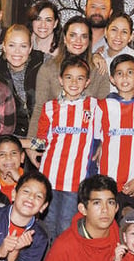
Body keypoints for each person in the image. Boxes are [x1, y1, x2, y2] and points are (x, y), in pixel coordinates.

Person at [34, 55, 99, 238]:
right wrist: (23, 144)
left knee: (66, 225)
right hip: (49, 175)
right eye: (69, 77)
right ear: (61, 80)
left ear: (87, 82)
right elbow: (41, 140)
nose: (74, 82)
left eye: (80, 78)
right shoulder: (49, 108)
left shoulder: (95, 107)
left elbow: (116, 114)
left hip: (75, 179)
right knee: (47, 224)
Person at [94, 54, 134, 211]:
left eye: (130, 72)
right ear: (112, 79)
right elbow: (96, 143)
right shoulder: (102, 106)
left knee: (132, 228)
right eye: (119, 73)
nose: (124, 77)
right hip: (107, 182)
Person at [28, 16, 109, 140]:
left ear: (89, 41)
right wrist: (31, 144)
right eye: (73, 35)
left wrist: (102, 144)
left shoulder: (98, 68)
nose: (78, 41)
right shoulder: (48, 68)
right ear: (65, 39)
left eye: (84, 36)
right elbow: (40, 107)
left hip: (87, 142)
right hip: (54, 140)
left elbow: (104, 111)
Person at [0, 24, 44, 137]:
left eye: (23, 46)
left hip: (44, 135)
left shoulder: (42, 63)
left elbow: (71, 67)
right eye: (12, 45)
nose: (17, 52)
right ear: (4, 47)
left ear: (30, 48)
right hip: (13, 137)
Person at [99, 12, 134, 99]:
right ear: (105, 32)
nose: (118, 36)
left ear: (130, 37)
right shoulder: (98, 58)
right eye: (114, 30)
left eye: (124, 32)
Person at [0, 134, 25, 203]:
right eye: (2, 154)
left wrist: (20, 180)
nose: (8, 157)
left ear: (22, 157)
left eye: (13, 153)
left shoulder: (33, 180)